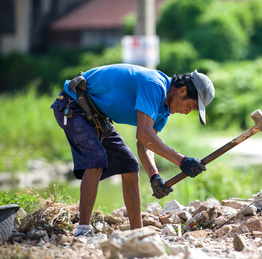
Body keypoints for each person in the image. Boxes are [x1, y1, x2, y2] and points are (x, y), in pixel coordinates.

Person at [51, 63, 215, 236]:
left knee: (129, 165)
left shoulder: (163, 111)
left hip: (96, 116)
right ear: (182, 91)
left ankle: (138, 234)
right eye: (191, 106)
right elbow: (143, 133)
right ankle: (82, 231)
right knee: (96, 160)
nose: (187, 112)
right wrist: (182, 161)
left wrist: (154, 176)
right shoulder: (155, 84)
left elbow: (145, 143)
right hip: (73, 105)